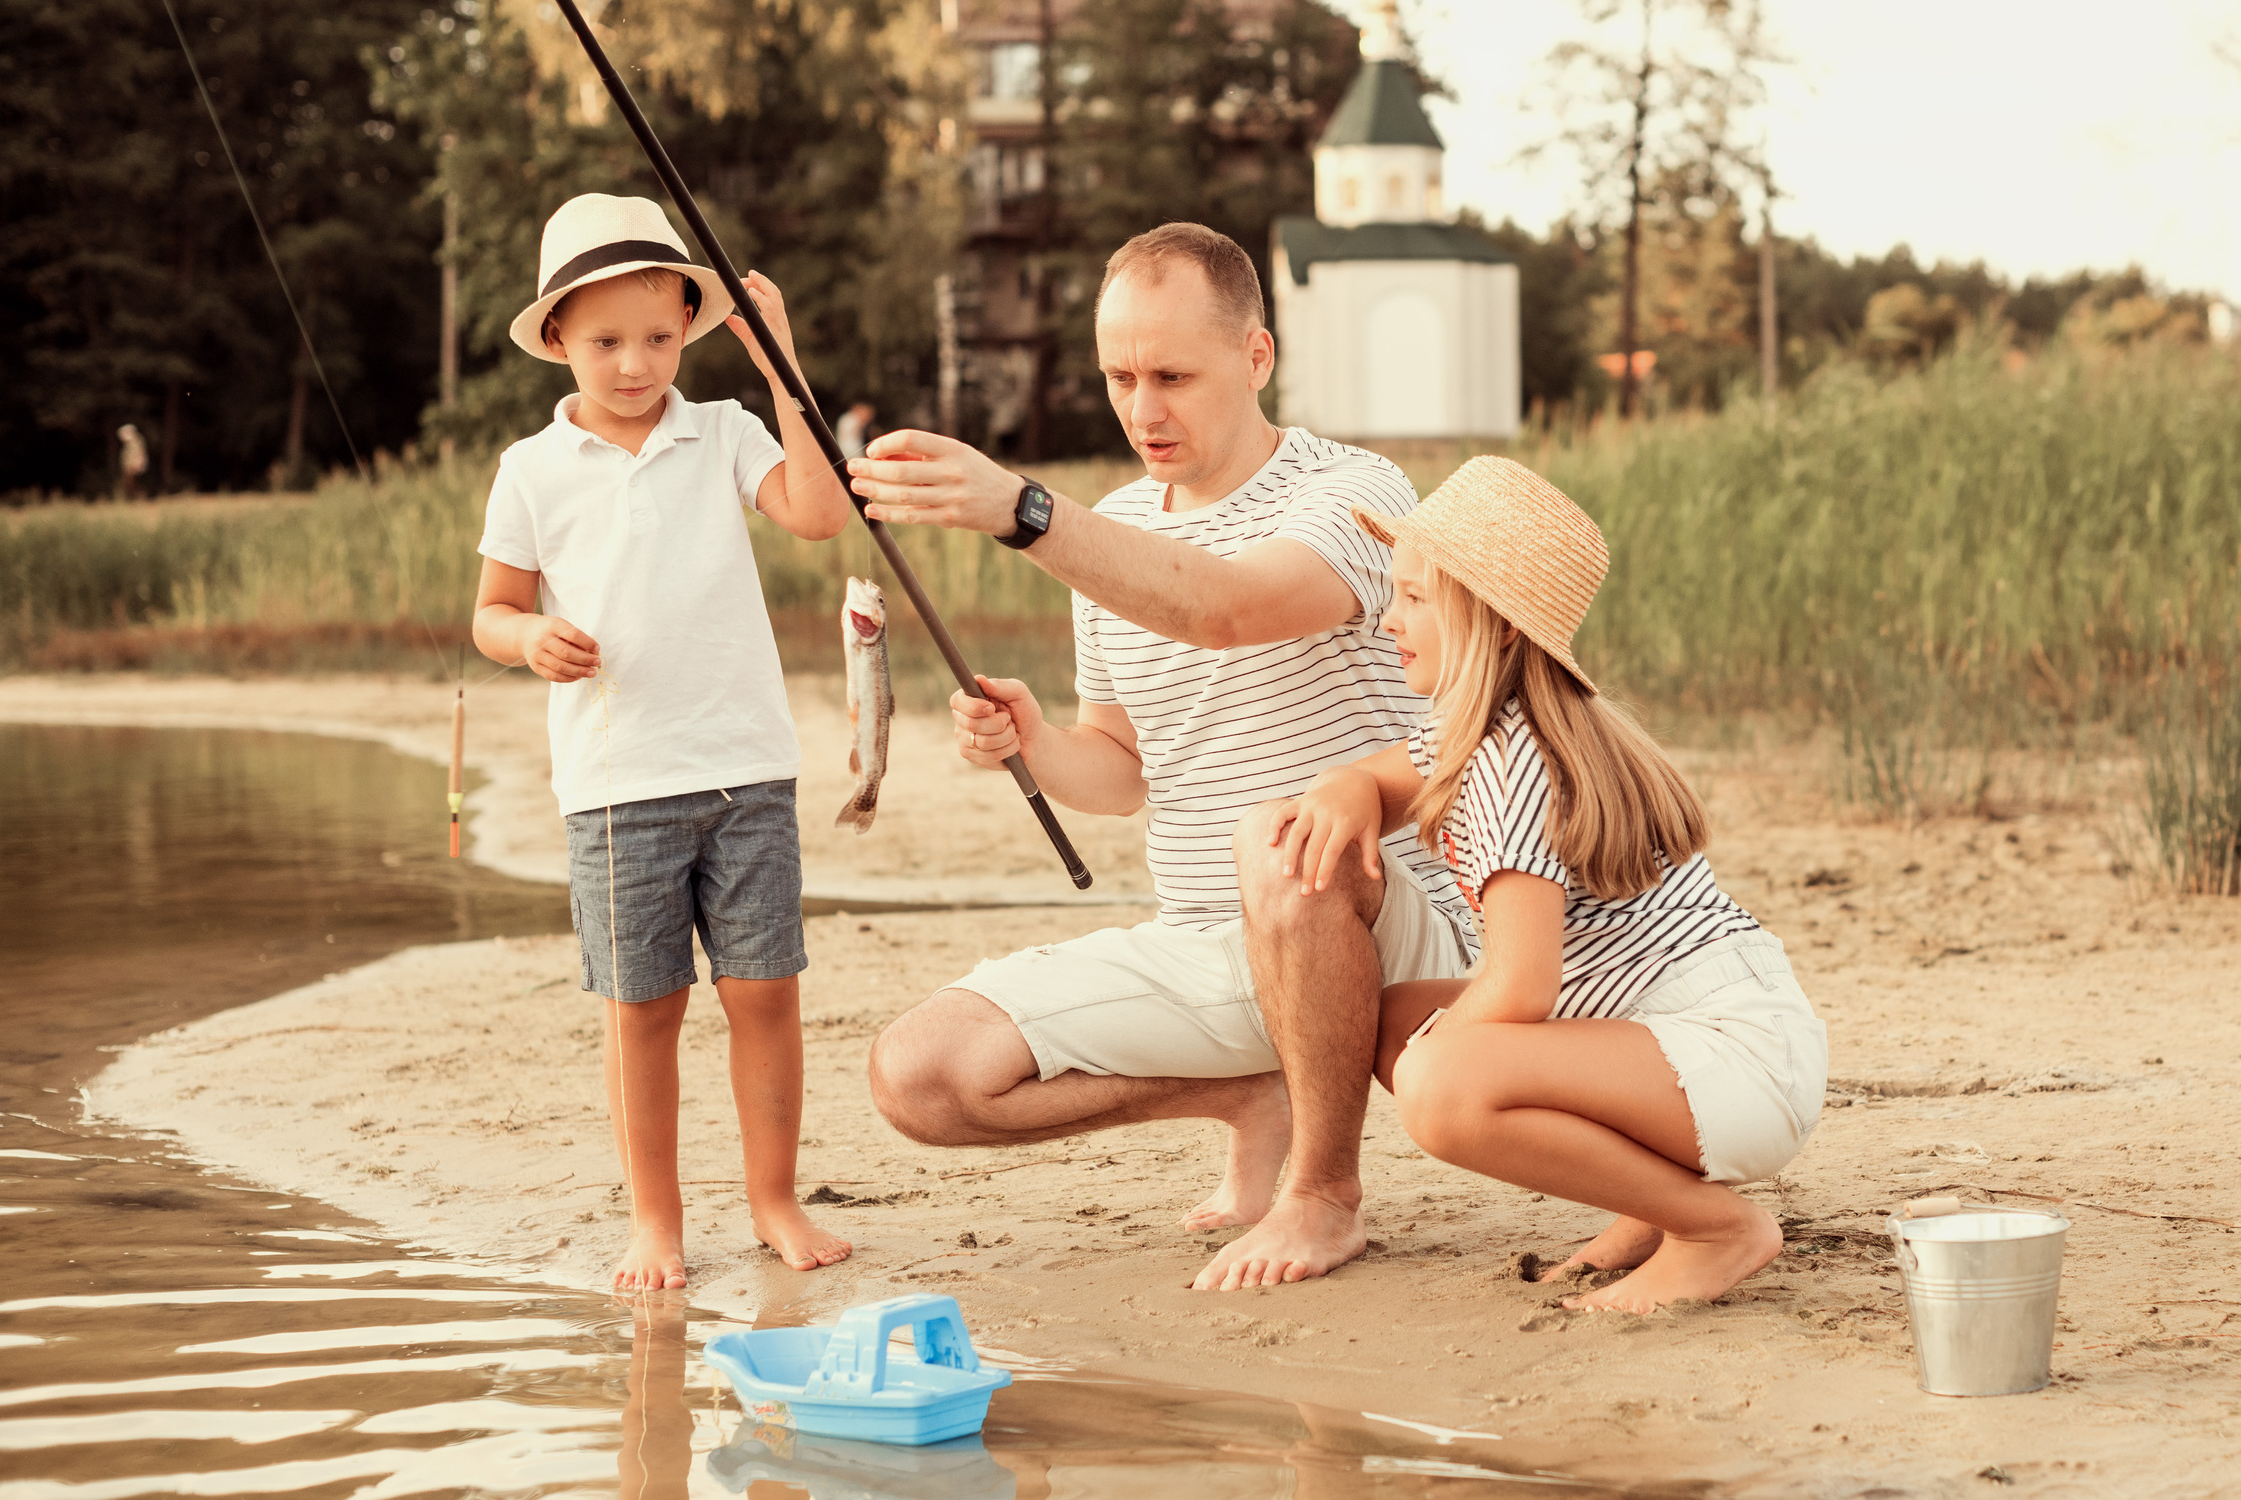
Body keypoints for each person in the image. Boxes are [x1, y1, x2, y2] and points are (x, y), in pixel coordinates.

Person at [853, 222, 1470, 1290]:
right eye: (1120, 377)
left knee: (1282, 845)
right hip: (1206, 942)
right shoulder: (1118, 534)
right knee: (920, 1077)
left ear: (1257, 357)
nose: (1144, 410)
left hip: (1387, 925)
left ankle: (1323, 1194)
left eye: (1174, 375)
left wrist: (1025, 511)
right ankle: (1249, 1090)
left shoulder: (1354, 492)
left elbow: (1230, 610)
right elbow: (1125, 768)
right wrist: (1039, 743)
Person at [1265, 457, 1829, 1313]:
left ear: (1492, 626)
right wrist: (1345, 786)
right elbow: (1387, 777)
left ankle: (1715, 1227)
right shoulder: (1500, 724)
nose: (1388, 619)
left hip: (1732, 1061)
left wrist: (1444, 1067)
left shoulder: (1512, 765)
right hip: (1708, 1035)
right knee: (1385, 1025)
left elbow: (1522, 988)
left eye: (1416, 598)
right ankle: (1653, 1208)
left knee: (1439, 1083)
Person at [469, 192, 855, 1294]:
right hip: (614, 784)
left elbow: (821, 515)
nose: (635, 363)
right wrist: (529, 634)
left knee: (763, 993)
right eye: (604, 341)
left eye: (656, 335)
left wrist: (781, 367)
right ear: (556, 341)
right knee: (643, 1009)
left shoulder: (725, 431)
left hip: (744, 770)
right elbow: (491, 613)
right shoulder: (530, 470)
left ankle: (774, 1200)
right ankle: (656, 1221)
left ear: (688, 325)